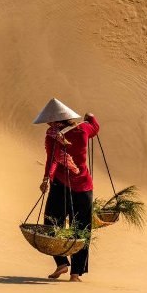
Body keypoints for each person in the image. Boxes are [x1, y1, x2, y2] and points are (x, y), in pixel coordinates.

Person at [33, 98, 101, 282]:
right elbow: (95, 127)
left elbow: (52, 160)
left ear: (56, 121)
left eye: (50, 120)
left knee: (51, 223)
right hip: (84, 187)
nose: (48, 123)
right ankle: (75, 274)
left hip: (61, 186)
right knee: (82, 229)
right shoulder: (83, 129)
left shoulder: (52, 135)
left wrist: (47, 178)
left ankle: (62, 262)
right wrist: (91, 117)